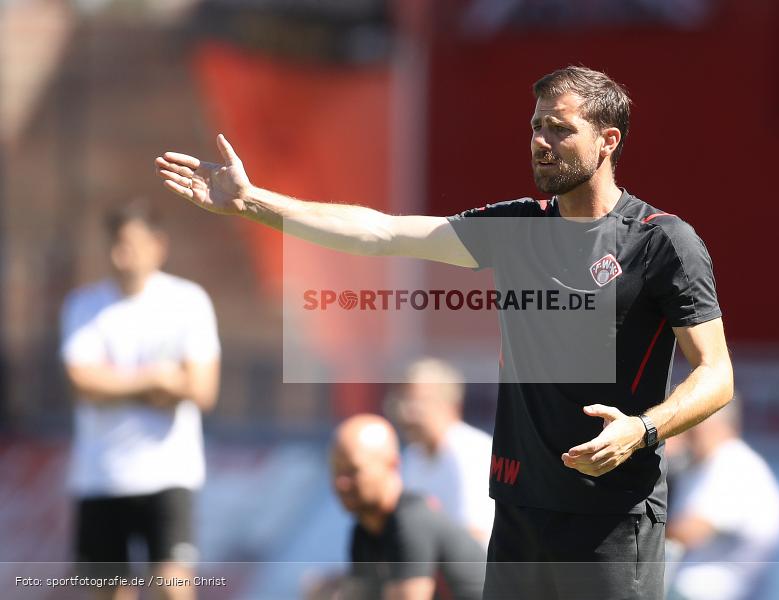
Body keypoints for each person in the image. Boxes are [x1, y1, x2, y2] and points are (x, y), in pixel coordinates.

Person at [156, 65, 734, 600]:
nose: (540, 140)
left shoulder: (662, 242)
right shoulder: (516, 228)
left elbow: (717, 375)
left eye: (560, 128)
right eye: (535, 126)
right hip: (520, 514)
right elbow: (380, 233)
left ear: (607, 140)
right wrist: (253, 202)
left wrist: (641, 430)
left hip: (612, 519)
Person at [60, 201, 221, 600]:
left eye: (131, 244)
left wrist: (114, 384)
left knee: (172, 586)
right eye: (116, 244)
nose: (122, 255)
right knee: (110, 592)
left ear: (158, 245)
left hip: (168, 473)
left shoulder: (187, 301)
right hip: (100, 474)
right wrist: (154, 379)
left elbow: (202, 388)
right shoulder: (84, 305)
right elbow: (83, 383)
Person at [330, 414, 486, 600]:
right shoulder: (364, 533)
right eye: (336, 470)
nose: (341, 482)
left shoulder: (412, 522)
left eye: (353, 470)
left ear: (392, 465)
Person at [666, 397, 779, 600]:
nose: (683, 431)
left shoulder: (732, 463)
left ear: (710, 423)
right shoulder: (706, 462)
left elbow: (690, 531)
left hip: (707, 590)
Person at [387, 358, 494, 547]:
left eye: (416, 403)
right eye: (403, 401)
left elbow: (475, 537)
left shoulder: (471, 453)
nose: (405, 414)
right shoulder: (413, 456)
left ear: (448, 405)